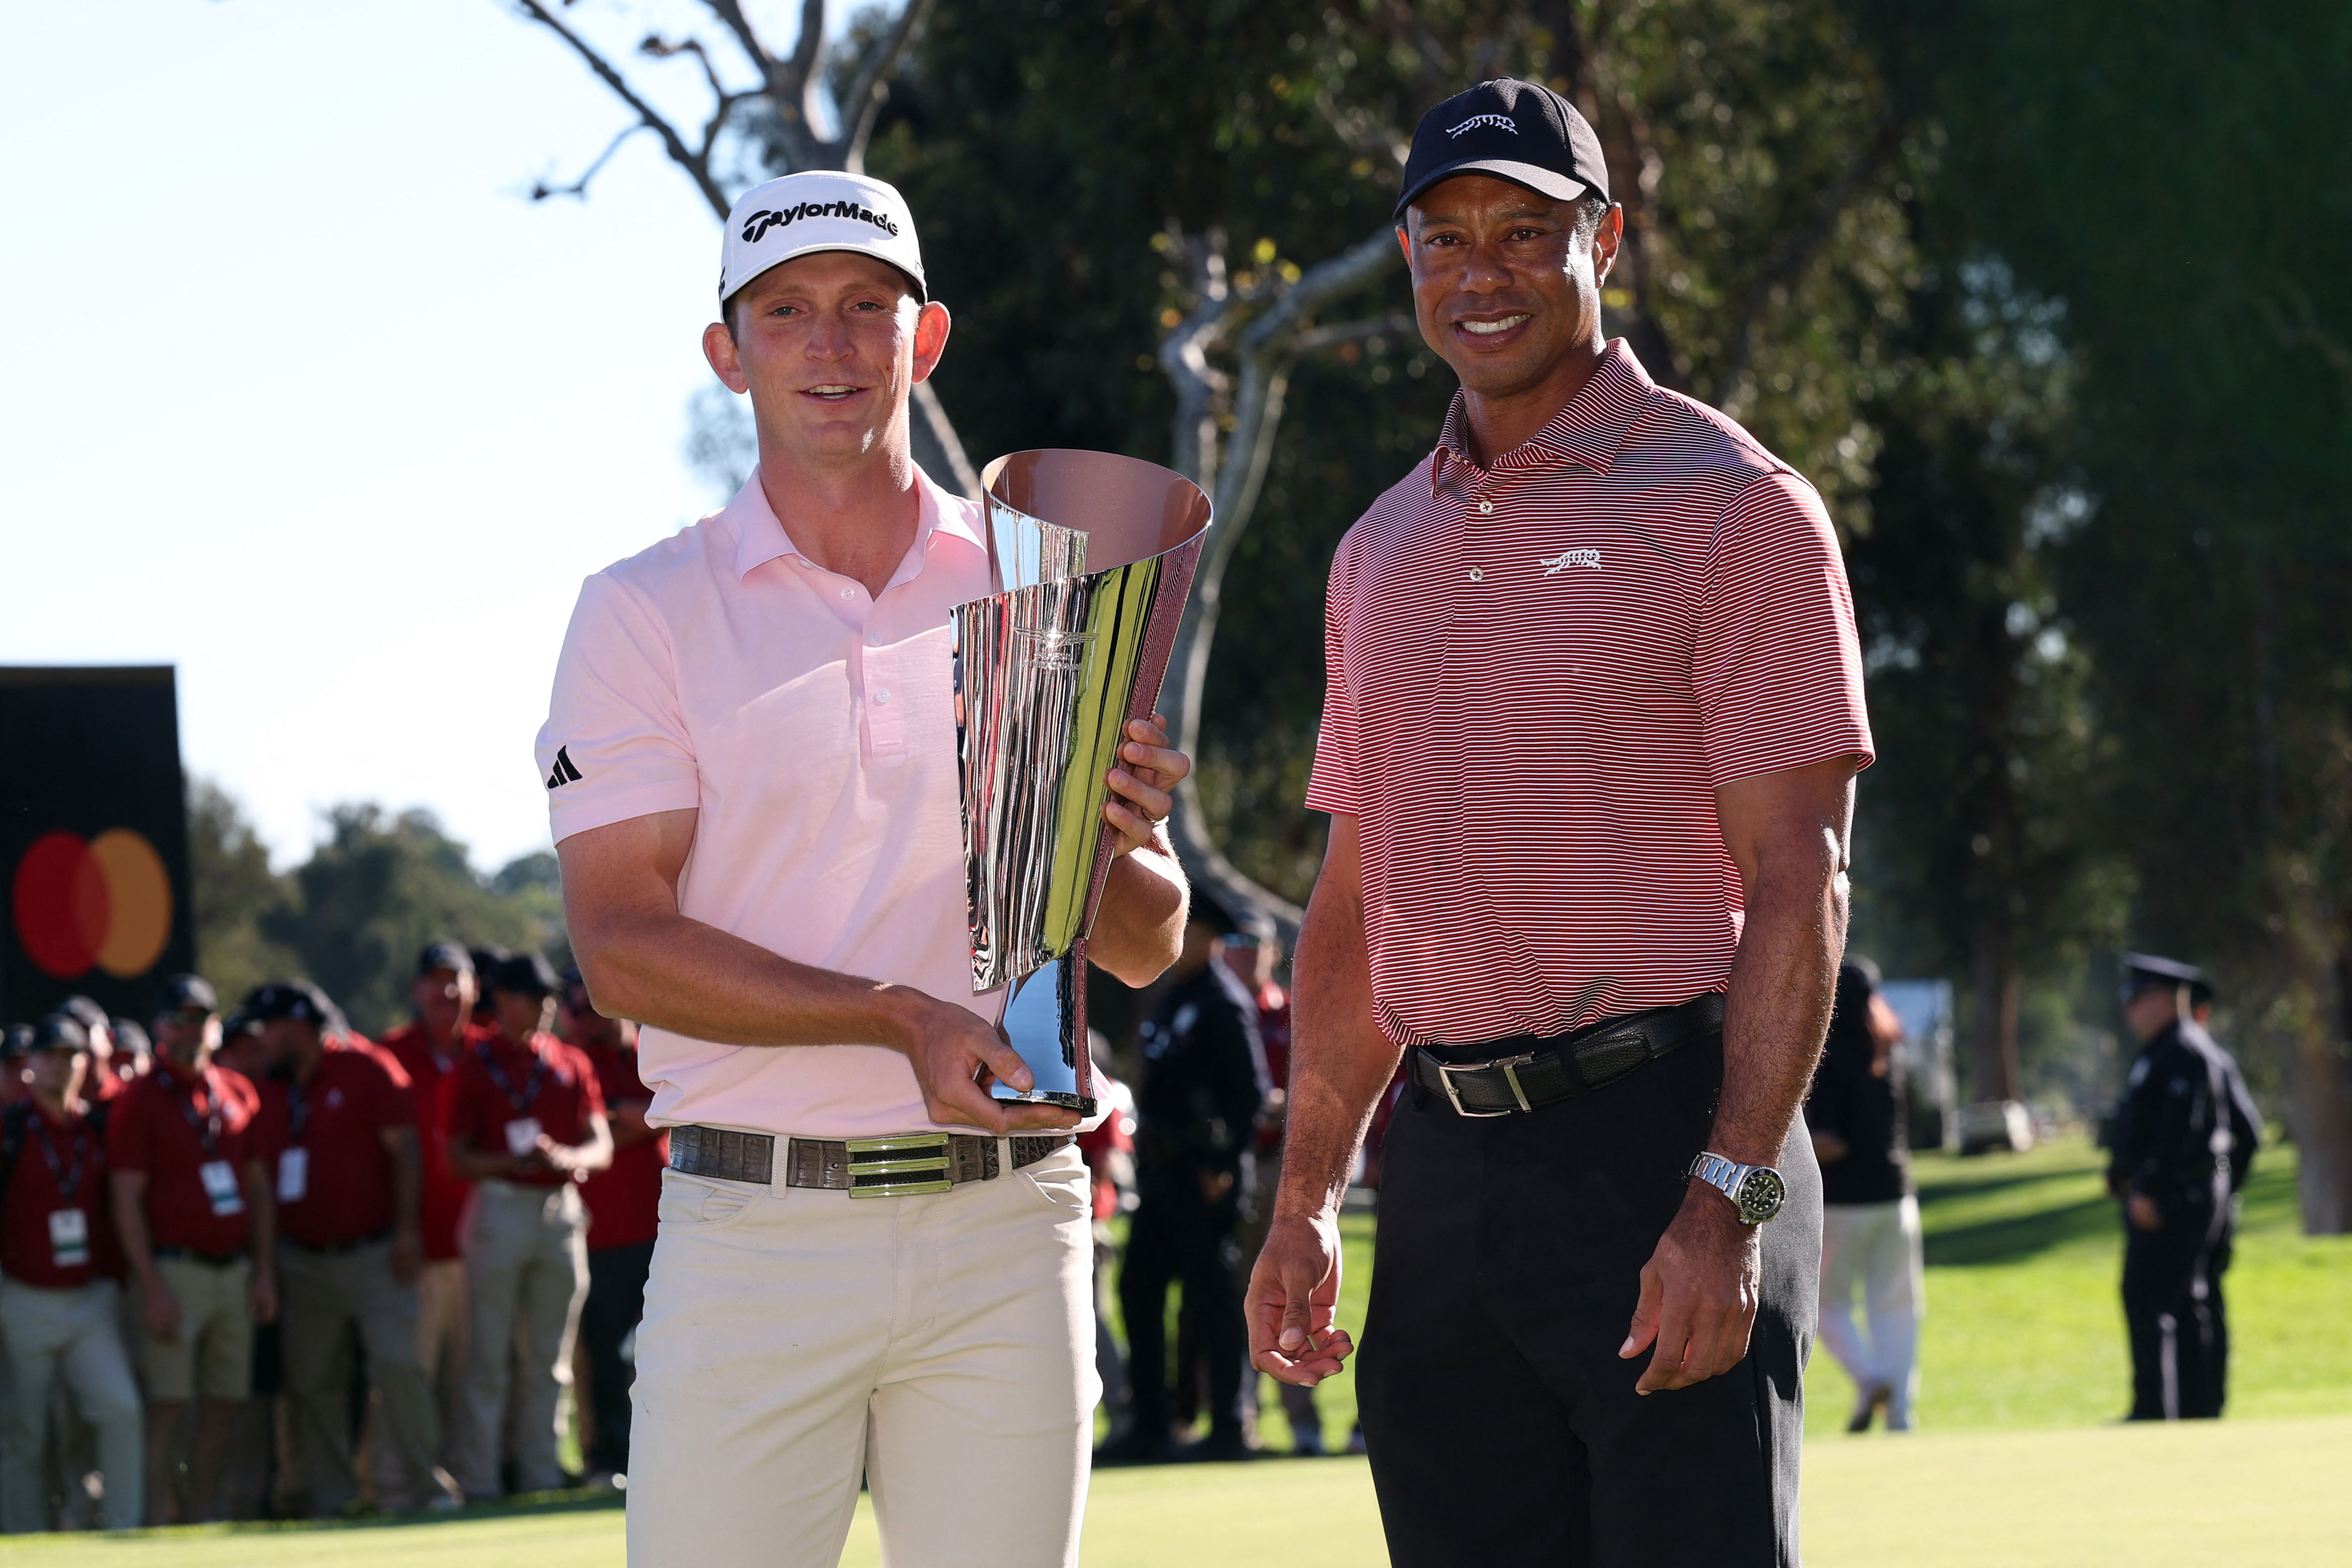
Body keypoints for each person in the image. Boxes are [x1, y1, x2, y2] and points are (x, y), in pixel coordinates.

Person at [1247, 77, 1874, 1567]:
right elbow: (1353, 900)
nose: (1482, 271)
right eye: (1446, 234)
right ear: (1405, 253)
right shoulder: (1372, 549)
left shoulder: (1734, 505)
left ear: (1605, 238)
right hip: (1447, 1184)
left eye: (1526, 233)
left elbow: (1799, 870)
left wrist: (1728, 1194)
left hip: (1667, 1140)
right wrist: (1304, 1199)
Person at [540, 167, 1191, 1567]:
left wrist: (1110, 833)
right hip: (754, 1228)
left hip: (1007, 1229)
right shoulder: (640, 611)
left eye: (863, 309)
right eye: (785, 313)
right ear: (729, 353)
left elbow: (1142, 941)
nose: (828, 347)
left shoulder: (1044, 581)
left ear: (926, 337)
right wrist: (898, 1018)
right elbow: (622, 947)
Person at [244, 980, 455, 1514]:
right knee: (315, 1382)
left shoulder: (368, 1065)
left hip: (374, 1254)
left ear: (296, 1028)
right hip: (303, 1259)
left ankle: (426, 1487)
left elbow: (405, 1152)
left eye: (267, 1030)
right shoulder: (270, 1085)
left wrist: (407, 1230)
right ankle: (333, 1496)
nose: (259, 1042)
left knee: (398, 1366)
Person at [1104, 892, 1269, 1464]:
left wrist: (1224, 1164)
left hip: (1204, 1176)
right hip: (1163, 1174)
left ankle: (1228, 1423)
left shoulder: (1223, 1001)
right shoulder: (1173, 996)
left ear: (1210, 937)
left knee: (1212, 1302)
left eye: (1190, 930)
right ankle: (1153, 1423)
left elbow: (1249, 1093)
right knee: (1139, 1289)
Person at [106, 972, 277, 1525]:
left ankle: (203, 1518)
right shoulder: (139, 1099)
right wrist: (151, 1286)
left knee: (225, 1404)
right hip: (174, 1270)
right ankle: (158, 1519)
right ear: (160, 1027)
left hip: (235, 1269)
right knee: (169, 1404)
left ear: (213, 1024)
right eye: (178, 1019)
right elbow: (126, 1200)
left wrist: (264, 1271)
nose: (189, 1030)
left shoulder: (236, 1090)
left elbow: (257, 1186)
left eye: (198, 1018)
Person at [443, 952, 610, 1500]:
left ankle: (539, 1475)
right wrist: (510, 1162)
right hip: (501, 1203)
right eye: (531, 998)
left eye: (548, 999)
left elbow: (601, 1143)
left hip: (559, 1208)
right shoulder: (476, 1061)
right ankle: (481, 1478)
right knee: (489, 1356)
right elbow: (455, 1153)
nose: (543, 1008)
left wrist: (563, 1155)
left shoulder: (568, 1060)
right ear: (504, 1001)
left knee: (550, 1359)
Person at [0, 1014, 142, 1531]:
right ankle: (23, 1538)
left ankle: (126, 1531)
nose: (61, 1067)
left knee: (121, 1408)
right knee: (24, 1433)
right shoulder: (11, 1126)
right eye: (50, 1057)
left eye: (71, 1056)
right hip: (23, 1297)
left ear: (87, 1063)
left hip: (89, 1300)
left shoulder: (98, 1126)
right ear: (31, 1066)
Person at [2107, 953, 2258, 1421]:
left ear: (2159, 1001)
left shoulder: (2182, 1051)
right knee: (2191, 1301)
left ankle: (2156, 1410)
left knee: (2151, 1297)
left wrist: (2152, 1188)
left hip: (2175, 1200)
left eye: (2135, 1000)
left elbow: (2183, 1130)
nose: (2129, 1011)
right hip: (2188, 1196)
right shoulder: (2165, 1051)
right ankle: (2194, 1410)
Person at [372, 941, 481, 1467]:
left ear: (475, 989)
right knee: (411, 1374)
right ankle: (403, 1486)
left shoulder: (492, 1052)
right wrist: (398, 1228)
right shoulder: (388, 1055)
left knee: (472, 1376)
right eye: (436, 980)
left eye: (457, 979)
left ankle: (471, 1480)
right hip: (413, 1248)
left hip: (482, 1250)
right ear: (416, 989)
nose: (447, 991)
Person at [1806, 957, 1923, 1433]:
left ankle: (1869, 1377)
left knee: (1826, 1307)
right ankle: (1899, 1414)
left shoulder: (1829, 1053)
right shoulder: (1886, 1050)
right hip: (1897, 1196)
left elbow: (1829, 1143)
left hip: (1843, 1202)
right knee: (1897, 1307)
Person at [557, 968, 663, 1486]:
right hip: (604, 1233)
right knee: (602, 1352)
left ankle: (666, 1457)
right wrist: (649, 1116)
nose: (578, 1020)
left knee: (669, 1348)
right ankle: (607, 1460)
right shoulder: (578, 1063)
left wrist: (637, 1117)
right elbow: (607, 1130)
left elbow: (679, 1107)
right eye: (572, 1009)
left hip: (668, 1227)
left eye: (586, 1007)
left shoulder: (658, 1048)